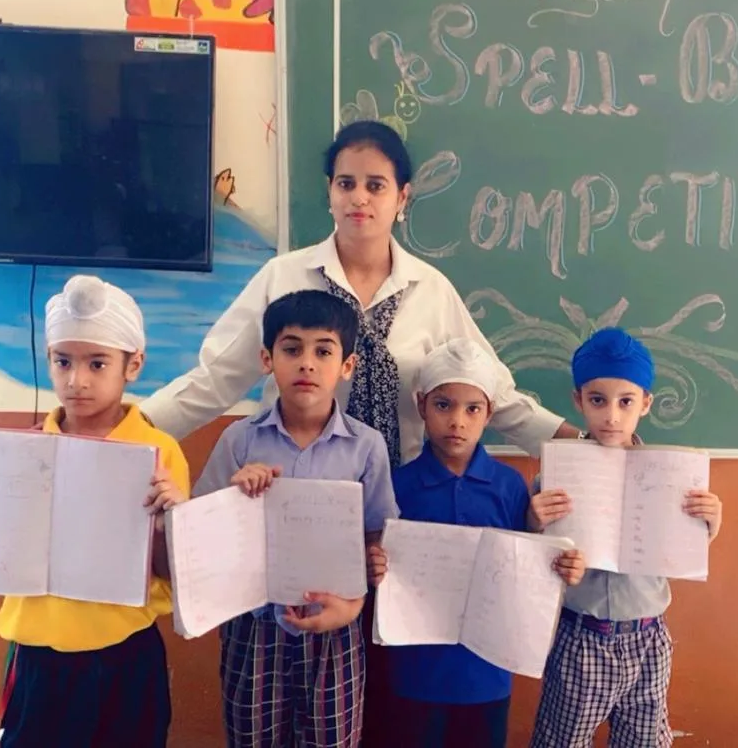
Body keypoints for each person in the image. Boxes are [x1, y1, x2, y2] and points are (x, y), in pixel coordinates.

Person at [138, 119, 579, 745]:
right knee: (304, 672)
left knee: (381, 697)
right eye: (346, 183)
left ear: (403, 197)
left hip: (400, 517)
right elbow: (216, 379)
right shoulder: (285, 278)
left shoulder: (432, 291)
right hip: (300, 511)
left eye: (377, 185)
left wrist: (575, 442)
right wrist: (129, 428)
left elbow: (492, 393)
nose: (360, 198)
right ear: (329, 192)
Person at [0, 275, 190, 748]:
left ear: (133, 365)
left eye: (97, 363)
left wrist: (168, 526)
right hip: (40, 658)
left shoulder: (158, 453)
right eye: (63, 361)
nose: (76, 380)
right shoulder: (20, 453)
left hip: (126, 655)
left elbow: (173, 574)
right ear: (49, 360)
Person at [191, 289, 398, 748]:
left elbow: (377, 535)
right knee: (251, 737)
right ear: (267, 359)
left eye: (323, 351)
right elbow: (198, 534)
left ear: (347, 366)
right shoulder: (240, 441)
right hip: (253, 624)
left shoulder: (366, 446)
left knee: (332, 739)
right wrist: (233, 497)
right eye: (291, 349)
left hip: (335, 625)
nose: (307, 363)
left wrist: (362, 591)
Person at [365, 338, 587, 748]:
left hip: (489, 667)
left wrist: (559, 563)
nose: (457, 421)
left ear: (489, 413)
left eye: (472, 409)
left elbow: (525, 569)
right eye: (443, 405)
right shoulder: (398, 485)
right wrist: (374, 565)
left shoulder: (510, 486)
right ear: (421, 405)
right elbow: (378, 559)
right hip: (416, 668)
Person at [527, 328, 724, 748]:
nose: (612, 416)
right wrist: (534, 522)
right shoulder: (557, 475)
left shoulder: (670, 475)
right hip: (582, 636)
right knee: (562, 740)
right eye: (598, 400)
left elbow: (679, 548)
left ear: (646, 403)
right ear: (579, 400)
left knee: (643, 740)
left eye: (626, 401)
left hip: (648, 635)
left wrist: (710, 521)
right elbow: (535, 561)